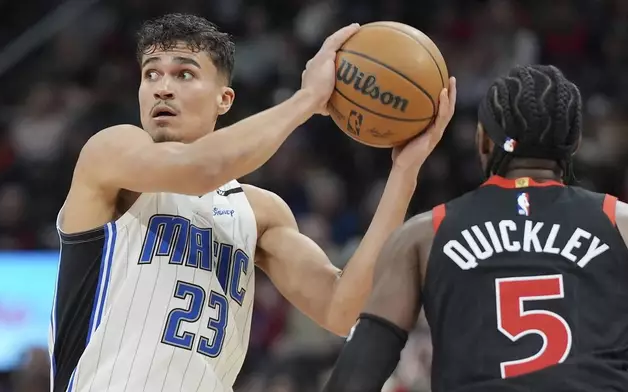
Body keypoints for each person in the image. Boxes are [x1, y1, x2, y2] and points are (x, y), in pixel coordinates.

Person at [47, 13, 457, 392]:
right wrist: (306, 101)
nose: (162, 87)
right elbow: (199, 170)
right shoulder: (111, 151)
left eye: (184, 74)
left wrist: (405, 171)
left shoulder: (259, 212)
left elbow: (343, 309)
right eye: (150, 74)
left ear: (224, 100)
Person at [322, 65, 628, 392]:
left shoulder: (424, 236)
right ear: (575, 142)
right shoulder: (619, 222)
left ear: (483, 141)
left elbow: (353, 381)